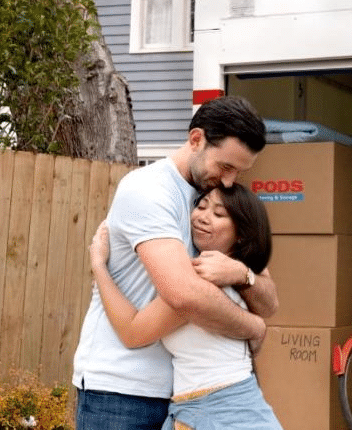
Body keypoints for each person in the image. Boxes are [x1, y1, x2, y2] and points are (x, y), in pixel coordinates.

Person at [72, 96, 279, 430]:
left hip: (182, 397)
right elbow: (186, 295)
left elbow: (268, 300)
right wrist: (253, 327)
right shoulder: (149, 190)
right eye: (225, 166)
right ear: (196, 140)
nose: (229, 180)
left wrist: (242, 274)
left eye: (239, 171)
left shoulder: (217, 198)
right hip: (122, 390)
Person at [90, 184, 282, 430]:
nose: (203, 216)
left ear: (241, 234)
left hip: (223, 410)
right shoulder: (231, 270)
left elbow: (131, 332)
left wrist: (99, 266)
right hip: (206, 406)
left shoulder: (202, 282)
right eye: (201, 206)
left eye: (218, 214)